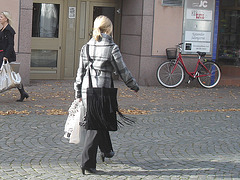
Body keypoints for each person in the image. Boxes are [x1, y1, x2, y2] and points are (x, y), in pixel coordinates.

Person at [74, 15, 139, 174]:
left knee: (100, 120)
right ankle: (87, 163)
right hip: (102, 91)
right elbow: (122, 71)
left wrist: (77, 92)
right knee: (95, 126)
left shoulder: (86, 47)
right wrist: (133, 86)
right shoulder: (112, 47)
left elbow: (80, 72)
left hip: (87, 90)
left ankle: (107, 150)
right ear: (109, 29)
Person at [0, 11, 29, 102]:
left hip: (6, 55)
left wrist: (6, 56)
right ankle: (23, 93)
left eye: (1, 17)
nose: (0, 18)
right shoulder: (2, 29)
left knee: (13, 74)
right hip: (2, 54)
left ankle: (23, 92)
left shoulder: (9, 30)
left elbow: (10, 44)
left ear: (6, 19)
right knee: (13, 74)